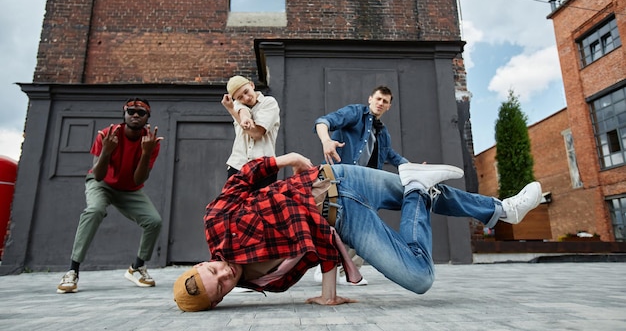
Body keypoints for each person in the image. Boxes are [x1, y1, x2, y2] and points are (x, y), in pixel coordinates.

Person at [172, 153, 542, 311]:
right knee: (420, 276)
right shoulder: (269, 283)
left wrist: (286, 160)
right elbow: (318, 243)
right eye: (219, 286)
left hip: (338, 177)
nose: (223, 274)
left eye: (212, 271)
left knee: (425, 192)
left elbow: (241, 180)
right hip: (344, 217)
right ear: (219, 300)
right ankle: (425, 186)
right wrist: (327, 294)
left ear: (202, 263)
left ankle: (503, 210)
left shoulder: (216, 223)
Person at [57, 98, 164, 294]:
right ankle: (72, 271)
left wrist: (146, 153)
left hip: (129, 189)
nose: (135, 115)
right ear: (124, 114)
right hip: (102, 184)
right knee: (95, 210)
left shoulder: (150, 141)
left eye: (141, 113)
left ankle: (137, 267)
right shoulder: (108, 134)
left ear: (147, 118)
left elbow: (138, 179)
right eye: (131, 111)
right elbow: (98, 175)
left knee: (154, 221)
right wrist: (107, 150)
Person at [313, 85, 409, 285]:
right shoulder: (356, 113)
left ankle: (350, 272)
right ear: (370, 99)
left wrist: (412, 167)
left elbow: (391, 156)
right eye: (378, 99)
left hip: (364, 186)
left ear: (389, 106)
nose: (380, 103)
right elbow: (324, 121)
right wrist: (326, 141)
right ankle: (325, 268)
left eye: (385, 101)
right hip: (341, 179)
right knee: (335, 223)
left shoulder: (383, 133)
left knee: (366, 225)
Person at [221, 75, 280, 189]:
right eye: (240, 97)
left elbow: (257, 133)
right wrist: (239, 115)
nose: (246, 98)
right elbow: (243, 111)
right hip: (238, 165)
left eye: (246, 92)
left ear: (252, 85)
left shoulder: (269, 103)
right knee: (232, 206)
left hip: (264, 166)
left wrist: (237, 115)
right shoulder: (237, 105)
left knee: (262, 206)